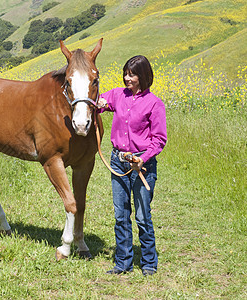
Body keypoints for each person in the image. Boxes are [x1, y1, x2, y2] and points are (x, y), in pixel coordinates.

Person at [96, 55, 167, 276]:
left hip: (141, 165)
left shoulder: (155, 103)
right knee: (121, 214)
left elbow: (159, 140)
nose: (127, 78)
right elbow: (99, 103)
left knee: (143, 216)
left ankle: (148, 263)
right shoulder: (118, 94)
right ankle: (123, 262)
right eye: (126, 73)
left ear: (144, 76)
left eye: (132, 74)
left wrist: (142, 159)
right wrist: (97, 103)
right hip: (118, 161)